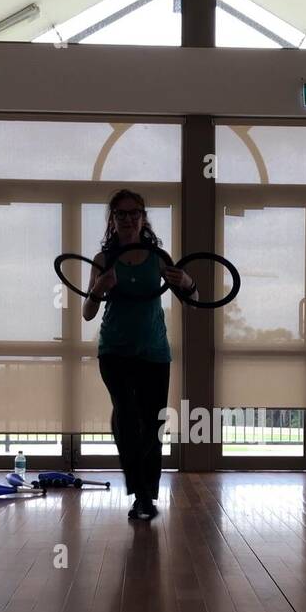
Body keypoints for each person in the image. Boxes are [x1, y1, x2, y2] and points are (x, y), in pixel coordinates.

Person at [82, 189, 197, 521]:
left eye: (135, 213)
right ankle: (142, 495)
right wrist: (98, 289)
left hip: (155, 353)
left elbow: (194, 296)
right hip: (115, 352)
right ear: (113, 219)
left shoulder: (159, 258)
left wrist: (188, 280)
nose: (129, 219)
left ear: (143, 217)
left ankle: (147, 491)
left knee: (151, 423)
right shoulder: (104, 260)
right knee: (129, 417)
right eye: (121, 213)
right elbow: (88, 312)